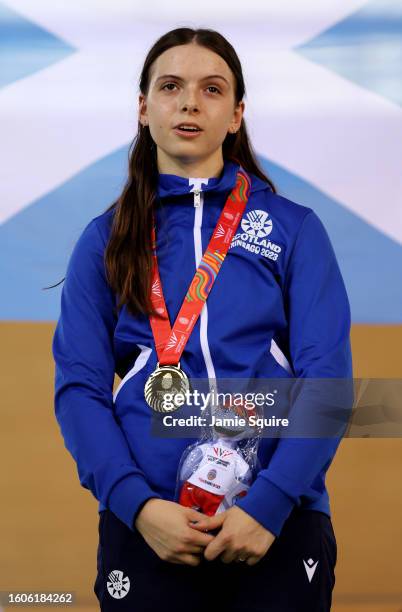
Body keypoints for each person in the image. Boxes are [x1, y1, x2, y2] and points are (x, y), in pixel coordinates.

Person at [52, 26, 353, 612]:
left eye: (212, 89)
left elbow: (328, 386)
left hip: (276, 523)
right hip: (151, 528)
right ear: (144, 108)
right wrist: (138, 506)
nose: (190, 101)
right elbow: (79, 391)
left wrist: (270, 504)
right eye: (171, 86)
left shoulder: (294, 230)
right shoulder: (105, 241)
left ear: (237, 114)